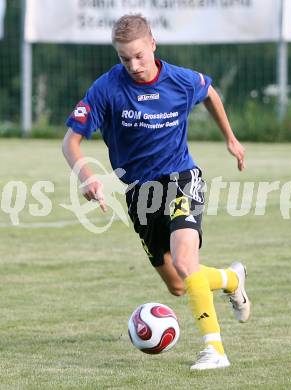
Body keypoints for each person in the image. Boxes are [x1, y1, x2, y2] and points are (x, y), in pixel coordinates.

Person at [62, 14, 251, 370]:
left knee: (185, 262)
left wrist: (231, 137)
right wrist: (87, 176)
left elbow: (208, 91)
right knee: (180, 286)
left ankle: (215, 350)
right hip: (140, 194)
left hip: (181, 177)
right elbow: (70, 141)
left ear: (153, 44)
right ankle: (230, 279)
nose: (133, 65)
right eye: (124, 58)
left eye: (139, 55)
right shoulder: (106, 89)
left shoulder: (178, 79)